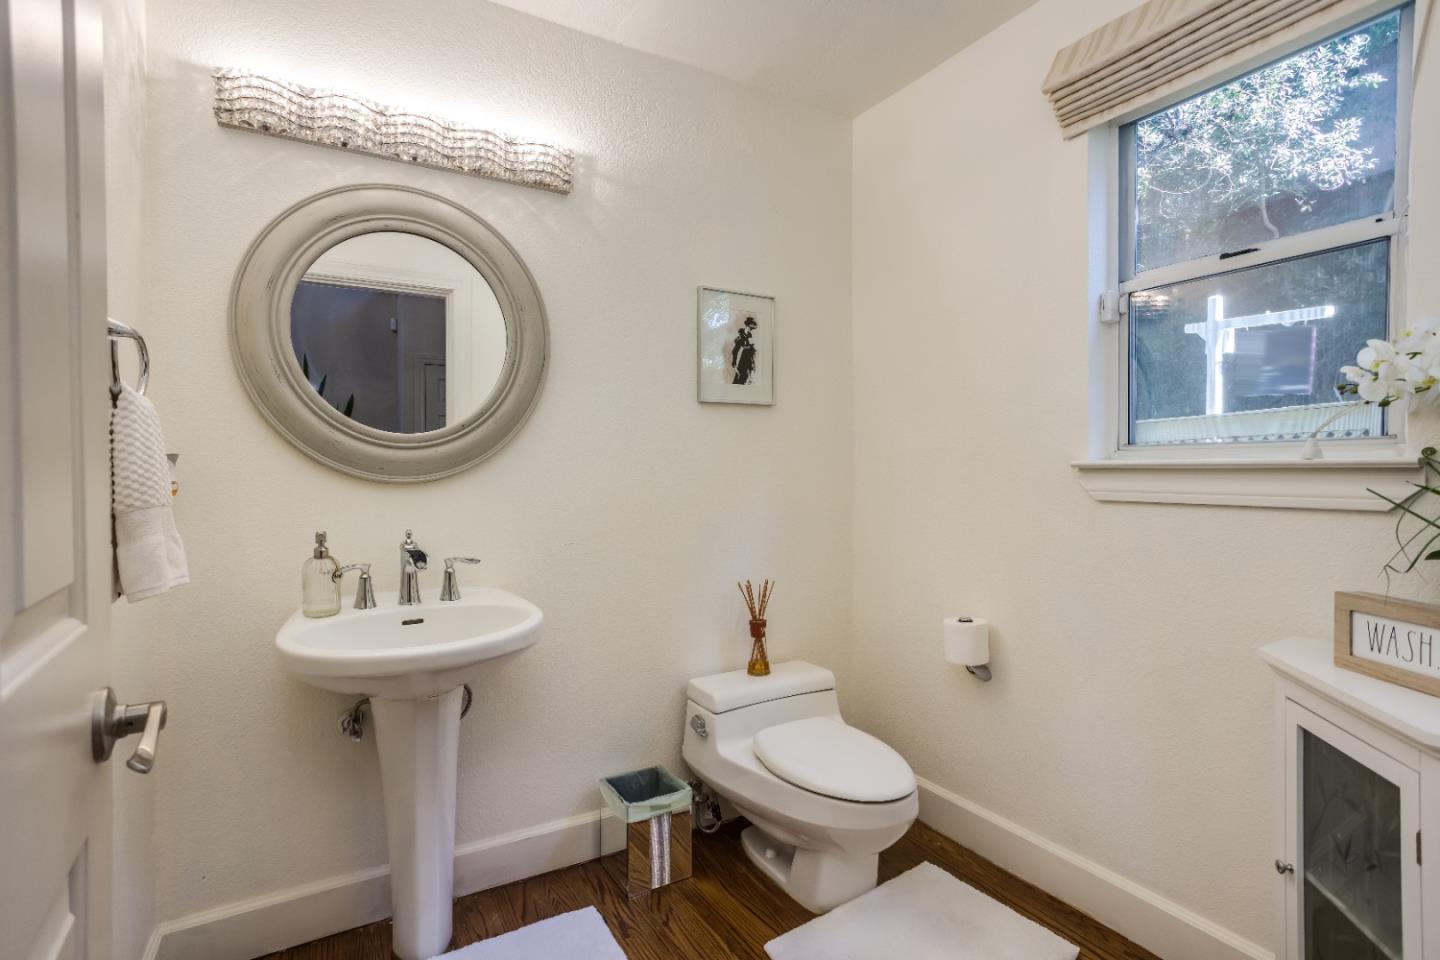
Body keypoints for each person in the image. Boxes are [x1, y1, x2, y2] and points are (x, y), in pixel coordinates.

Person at [731, 316, 758, 385]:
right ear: (747, 326)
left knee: (748, 380)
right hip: (742, 361)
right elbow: (735, 351)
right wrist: (734, 363)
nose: (751, 330)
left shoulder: (749, 336)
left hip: (749, 361)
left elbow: (752, 350)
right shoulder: (740, 337)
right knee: (740, 380)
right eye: (750, 328)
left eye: (751, 329)